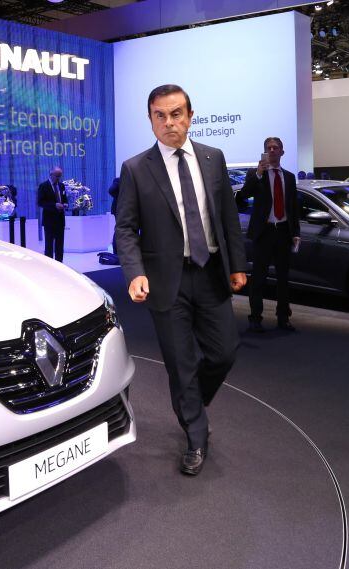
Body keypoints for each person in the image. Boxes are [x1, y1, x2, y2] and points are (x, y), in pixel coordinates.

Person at [115, 84, 247, 476]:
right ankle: (195, 434)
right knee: (181, 364)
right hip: (165, 281)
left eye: (176, 114)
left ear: (190, 115)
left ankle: (191, 403)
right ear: (151, 119)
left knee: (224, 352)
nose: (169, 122)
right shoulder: (137, 169)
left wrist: (237, 264)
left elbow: (227, 219)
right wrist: (135, 273)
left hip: (210, 275)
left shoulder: (213, 157)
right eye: (160, 115)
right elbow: (125, 229)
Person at [239, 137, 300, 333]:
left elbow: (292, 207)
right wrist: (258, 173)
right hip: (263, 233)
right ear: (264, 151)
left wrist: (295, 233)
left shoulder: (289, 177)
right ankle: (255, 319)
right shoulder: (257, 175)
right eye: (268, 148)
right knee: (258, 278)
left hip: (283, 232)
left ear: (282, 152)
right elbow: (243, 195)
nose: (272, 151)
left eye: (276, 148)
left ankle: (283, 318)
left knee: (283, 279)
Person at [37, 167, 67, 262]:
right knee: (49, 245)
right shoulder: (43, 186)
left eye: (60, 176)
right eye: (56, 176)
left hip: (60, 220)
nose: (58, 178)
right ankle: (49, 265)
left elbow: (64, 198)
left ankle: (60, 264)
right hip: (49, 220)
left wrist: (65, 203)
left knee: (60, 245)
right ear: (51, 174)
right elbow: (40, 202)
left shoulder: (61, 186)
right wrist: (54, 205)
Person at [107, 176, 120, 253]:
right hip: (119, 209)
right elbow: (111, 190)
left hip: (128, 209)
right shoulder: (119, 179)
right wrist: (121, 197)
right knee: (120, 229)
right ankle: (116, 251)